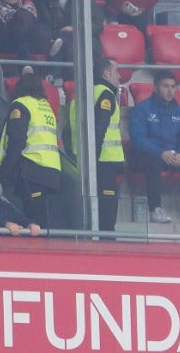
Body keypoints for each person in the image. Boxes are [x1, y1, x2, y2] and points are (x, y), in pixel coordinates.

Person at [64, 56, 124, 231]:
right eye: (116, 72)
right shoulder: (105, 95)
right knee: (106, 218)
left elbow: (67, 132)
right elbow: (99, 130)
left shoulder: (80, 96)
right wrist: (93, 161)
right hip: (103, 163)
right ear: (106, 73)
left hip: (81, 161)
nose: (119, 76)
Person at [128, 71, 180, 224]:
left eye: (173, 87)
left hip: (172, 155)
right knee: (153, 161)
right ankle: (155, 209)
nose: (170, 91)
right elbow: (138, 138)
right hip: (145, 155)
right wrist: (160, 152)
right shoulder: (142, 109)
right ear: (156, 88)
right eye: (166, 86)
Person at [0, 71, 61, 226]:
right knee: (41, 221)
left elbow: (16, 141)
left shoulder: (22, 104)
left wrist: (5, 172)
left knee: (33, 221)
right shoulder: (45, 107)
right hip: (51, 171)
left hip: (33, 170)